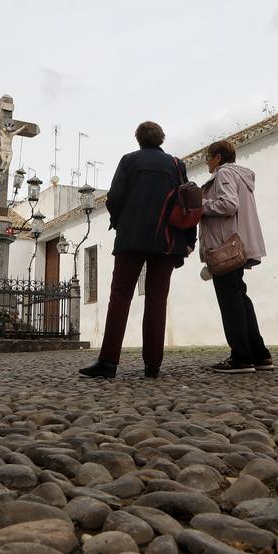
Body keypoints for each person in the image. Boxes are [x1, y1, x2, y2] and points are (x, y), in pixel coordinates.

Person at [80, 121, 196, 380]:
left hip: (131, 239)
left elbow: (115, 197)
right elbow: (188, 201)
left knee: (120, 296)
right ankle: (153, 365)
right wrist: (188, 239)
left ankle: (108, 361)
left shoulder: (129, 161)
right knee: (157, 299)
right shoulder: (177, 165)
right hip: (166, 240)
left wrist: (122, 222)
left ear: (138, 139)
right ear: (161, 139)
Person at [198, 139, 272, 373]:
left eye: (208, 157)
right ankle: (259, 354)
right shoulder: (242, 176)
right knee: (240, 298)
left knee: (230, 302)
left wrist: (202, 206)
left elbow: (229, 204)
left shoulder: (224, 174)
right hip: (238, 243)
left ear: (218, 157)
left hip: (225, 246)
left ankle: (241, 356)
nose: (207, 162)